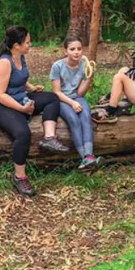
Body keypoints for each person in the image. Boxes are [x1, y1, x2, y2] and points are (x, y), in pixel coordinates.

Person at [0, 26, 70, 196]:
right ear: (16, 45)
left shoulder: (20, 57)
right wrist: (22, 109)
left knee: (52, 98)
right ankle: (19, 177)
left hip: (18, 97)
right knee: (23, 133)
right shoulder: (4, 62)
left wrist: (32, 87)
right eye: (28, 42)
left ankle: (49, 137)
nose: (30, 45)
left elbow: (20, 78)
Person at [49, 36, 102, 170]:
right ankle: (84, 157)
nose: (76, 52)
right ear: (65, 51)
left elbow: (80, 94)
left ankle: (89, 156)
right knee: (74, 120)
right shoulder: (57, 66)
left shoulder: (84, 66)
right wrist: (72, 103)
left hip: (76, 97)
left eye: (79, 49)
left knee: (85, 117)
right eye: (72, 49)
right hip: (62, 99)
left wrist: (89, 78)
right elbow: (57, 92)